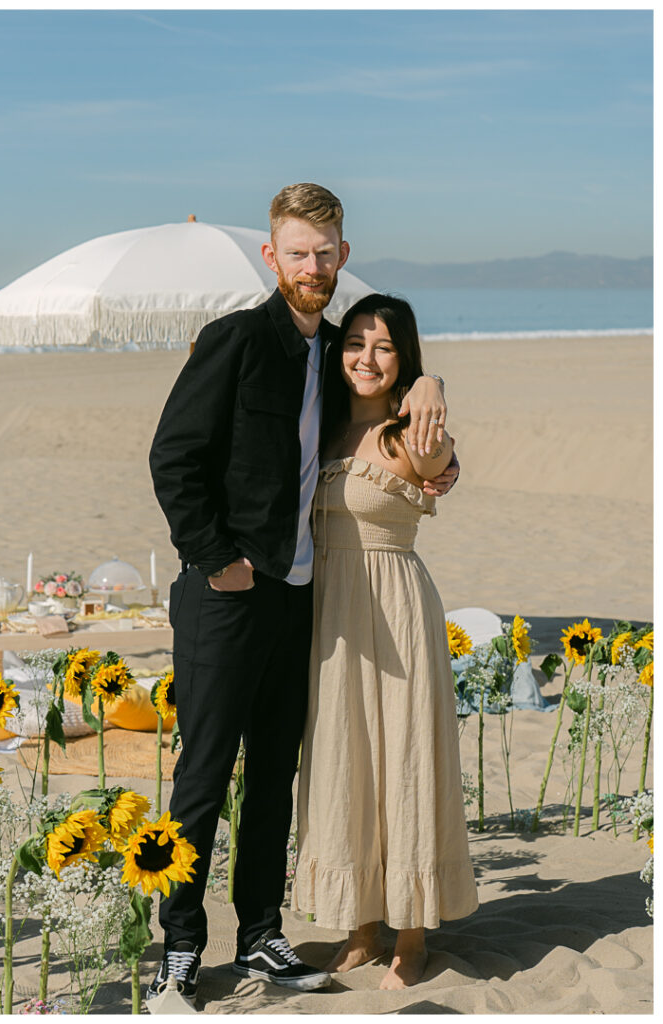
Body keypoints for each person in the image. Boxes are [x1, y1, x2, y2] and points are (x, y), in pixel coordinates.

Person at [148, 183, 458, 1004]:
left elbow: (386, 393)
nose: (312, 267)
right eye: (296, 253)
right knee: (204, 778)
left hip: (297, 602)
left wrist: (429, 388)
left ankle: (259, 937)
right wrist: (214, 558)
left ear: (341, 257)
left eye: (324, 254)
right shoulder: (236, 341)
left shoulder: (326, 352)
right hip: (224, 596)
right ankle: (180, 943)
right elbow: (173, 458)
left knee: (278, 776)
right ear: (271, 257)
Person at [293, 292, 479, 990]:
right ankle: (359, 929)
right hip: (331, 616)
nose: (365, 358)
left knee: (405, 761)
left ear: (403, 359)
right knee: (345, 762)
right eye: (354, 344)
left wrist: (432, 388)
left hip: (395, 609)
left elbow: (444, 460)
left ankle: (409, 935)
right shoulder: (320, 425)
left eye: (383, 347)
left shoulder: (413, 432)